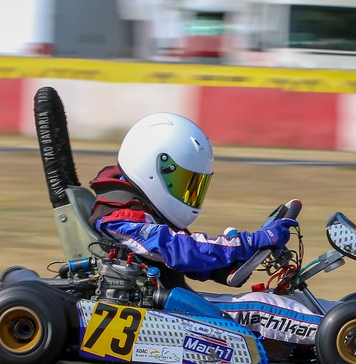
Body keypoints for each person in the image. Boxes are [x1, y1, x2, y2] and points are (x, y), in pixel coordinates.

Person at [89, 112, 321, 345]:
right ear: (152, 167)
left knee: (288, 301)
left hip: (170, 304)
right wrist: (247, 242)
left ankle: (345, 316)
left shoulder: (139, 211)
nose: (188, 194)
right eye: (182, 183)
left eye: (193, 185)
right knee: (262, 309)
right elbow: (180, 250)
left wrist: (230, 264)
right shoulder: (118, 219)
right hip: (160, 312)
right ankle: (341, 333)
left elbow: (192, 261)